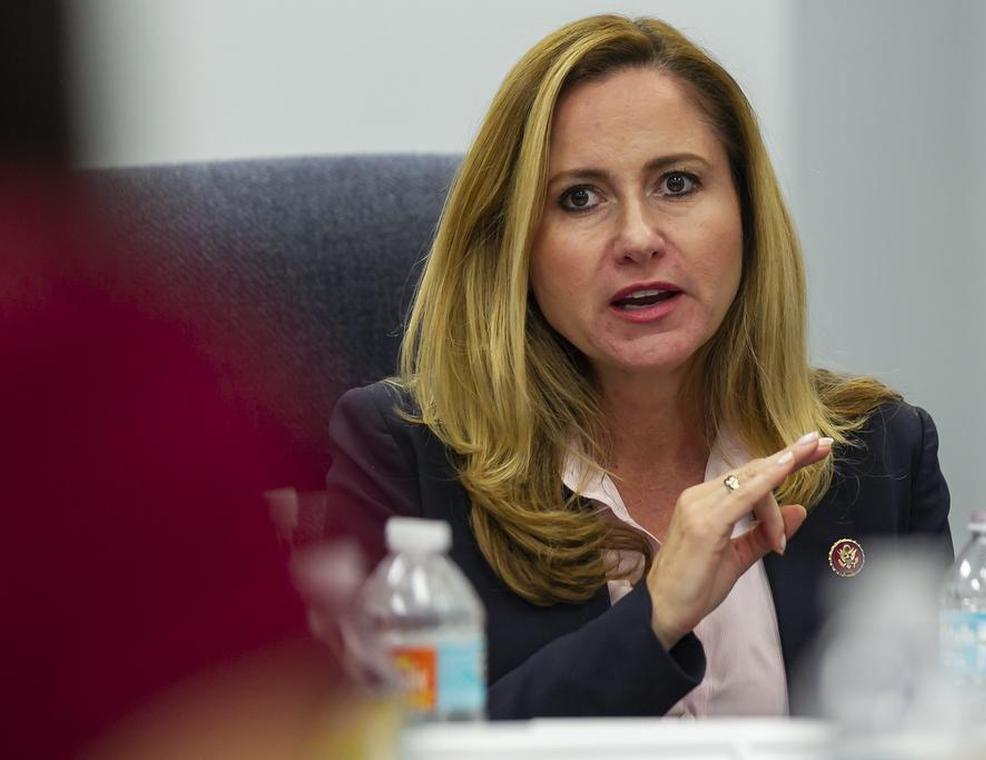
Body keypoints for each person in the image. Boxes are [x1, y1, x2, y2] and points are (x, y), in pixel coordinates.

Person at [325, 14, 952, 720]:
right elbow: (385, 746)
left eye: (678, 184)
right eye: (579, 198)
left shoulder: (883, 453)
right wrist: (653, 617)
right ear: (514, 248)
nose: (638, 238)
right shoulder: (407, 457)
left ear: (746, 212)